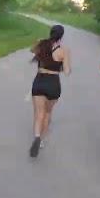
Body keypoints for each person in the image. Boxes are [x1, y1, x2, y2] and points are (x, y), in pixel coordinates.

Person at [29, 25, 71, 158]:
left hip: (39, 81)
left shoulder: (42, 44)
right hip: (53, 83)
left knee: (38, 113)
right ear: (61, 36)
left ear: (50, 33)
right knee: (47, 113)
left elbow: (32, 50)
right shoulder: (63, 50)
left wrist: (39, 41)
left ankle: (36, 136)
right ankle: (41, 140)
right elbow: (67, 72)